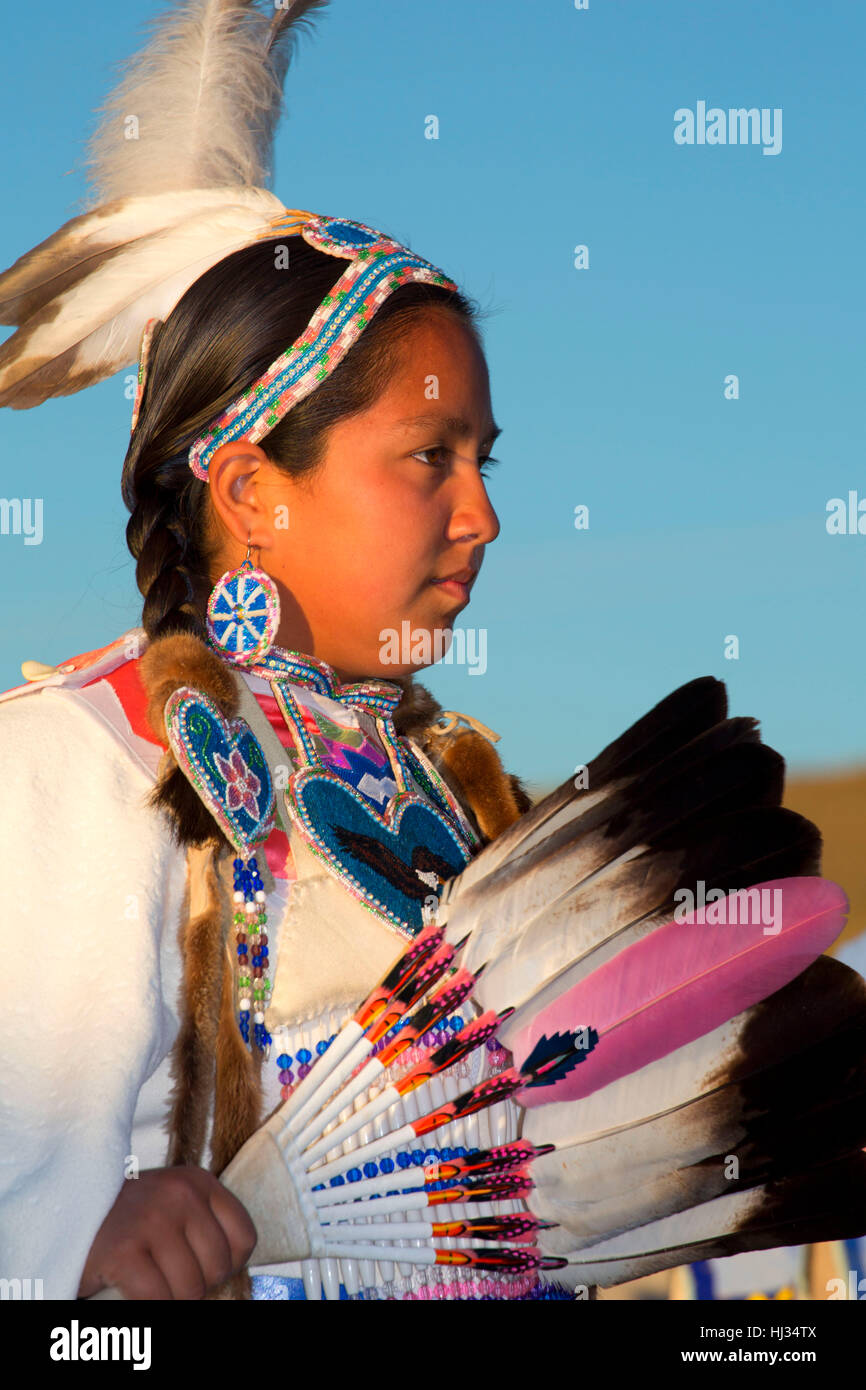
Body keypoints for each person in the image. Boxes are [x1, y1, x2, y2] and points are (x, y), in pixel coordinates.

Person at [2, 0, 865, 1304]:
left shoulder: (458, 798)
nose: (480, 515)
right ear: (252, 490)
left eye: (483, 460)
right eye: (427, 457)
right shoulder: (70, 772)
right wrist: (79, 1259)